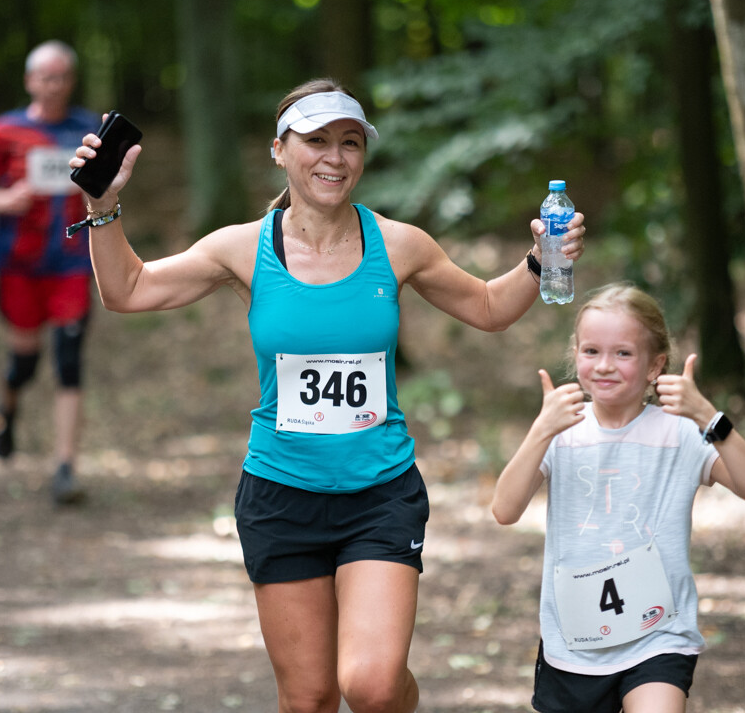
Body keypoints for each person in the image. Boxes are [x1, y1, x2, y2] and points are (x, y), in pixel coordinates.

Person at [69, 78, 586, 713]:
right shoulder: (242, 247)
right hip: (281, 496)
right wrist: (103, 205)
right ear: (280, 151)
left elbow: (486, 306)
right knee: (310, 698)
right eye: (316, 141)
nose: (334, 158)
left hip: (380, 495)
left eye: (350, 143)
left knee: (370, 685)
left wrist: (540, 261)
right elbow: (128, 290)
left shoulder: (398, 244)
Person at [490, 282, 745, 713]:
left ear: (655, 365)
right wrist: (540, 430)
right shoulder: (562, 431)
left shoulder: (679, 432)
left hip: (658, 634)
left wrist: (708, 416)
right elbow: (505, 510)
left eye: (623, 353)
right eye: (591, 352)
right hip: (574, 640)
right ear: (576, 354)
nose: (604, 366)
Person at [0, 40, 99, 506]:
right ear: (30, 81)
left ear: (71, 81)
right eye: (45, 77)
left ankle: (65, 466)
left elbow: (108, 181)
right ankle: (6, 408)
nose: (54, 85)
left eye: (62, 76)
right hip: (19, 266)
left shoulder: (88, 128)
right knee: (24, 362)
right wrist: (2, 200)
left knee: (68, 360)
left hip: (72, 263)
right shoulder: (5, 132)